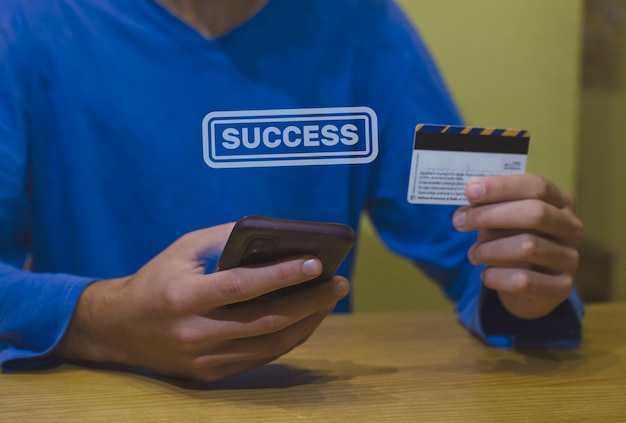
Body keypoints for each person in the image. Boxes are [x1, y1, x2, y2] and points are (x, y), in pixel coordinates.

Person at [0, 0, 584, 382]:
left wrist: (527, 286)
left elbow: (473, 254)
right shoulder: (24, 24)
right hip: (90, 399)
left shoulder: (367, 26)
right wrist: (103, 320)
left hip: (302, 399)